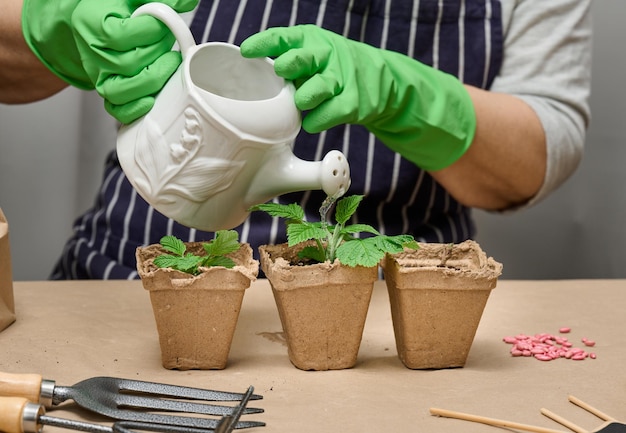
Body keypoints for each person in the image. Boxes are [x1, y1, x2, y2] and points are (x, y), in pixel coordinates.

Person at [14, 0, 591, 279]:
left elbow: (540, 155)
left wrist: (405, 95)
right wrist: (57, 27)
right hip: (120, 283)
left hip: (380, 327)